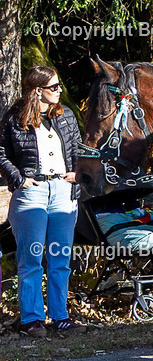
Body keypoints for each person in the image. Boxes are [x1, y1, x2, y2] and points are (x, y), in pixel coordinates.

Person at [0, 66, 81, 336]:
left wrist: (77, 173)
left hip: (63, 191)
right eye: (53, 87)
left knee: (60, 258)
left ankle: (60, 316)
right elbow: (1, 152)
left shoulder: (66, 115)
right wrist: (18, 178)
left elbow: (78, 148)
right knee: (31, 258)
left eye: (59, 85)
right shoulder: (15, 118)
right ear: (37, 90)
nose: (59, 90)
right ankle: (32, 319)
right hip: (31, 192)